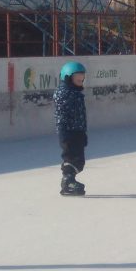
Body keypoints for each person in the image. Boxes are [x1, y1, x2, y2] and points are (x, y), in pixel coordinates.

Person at [54, 61, 89, 197]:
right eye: (77, 78)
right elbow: (61, 116)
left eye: (82, 77)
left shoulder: (75, 92)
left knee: (79, 159)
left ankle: (70, 180)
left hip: (77, 130)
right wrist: (63, 133)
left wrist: (83, 133)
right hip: (68, 131)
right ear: (68, 77)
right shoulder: (63, 93)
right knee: (71, 157)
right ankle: (67, 181)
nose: (81, 80)